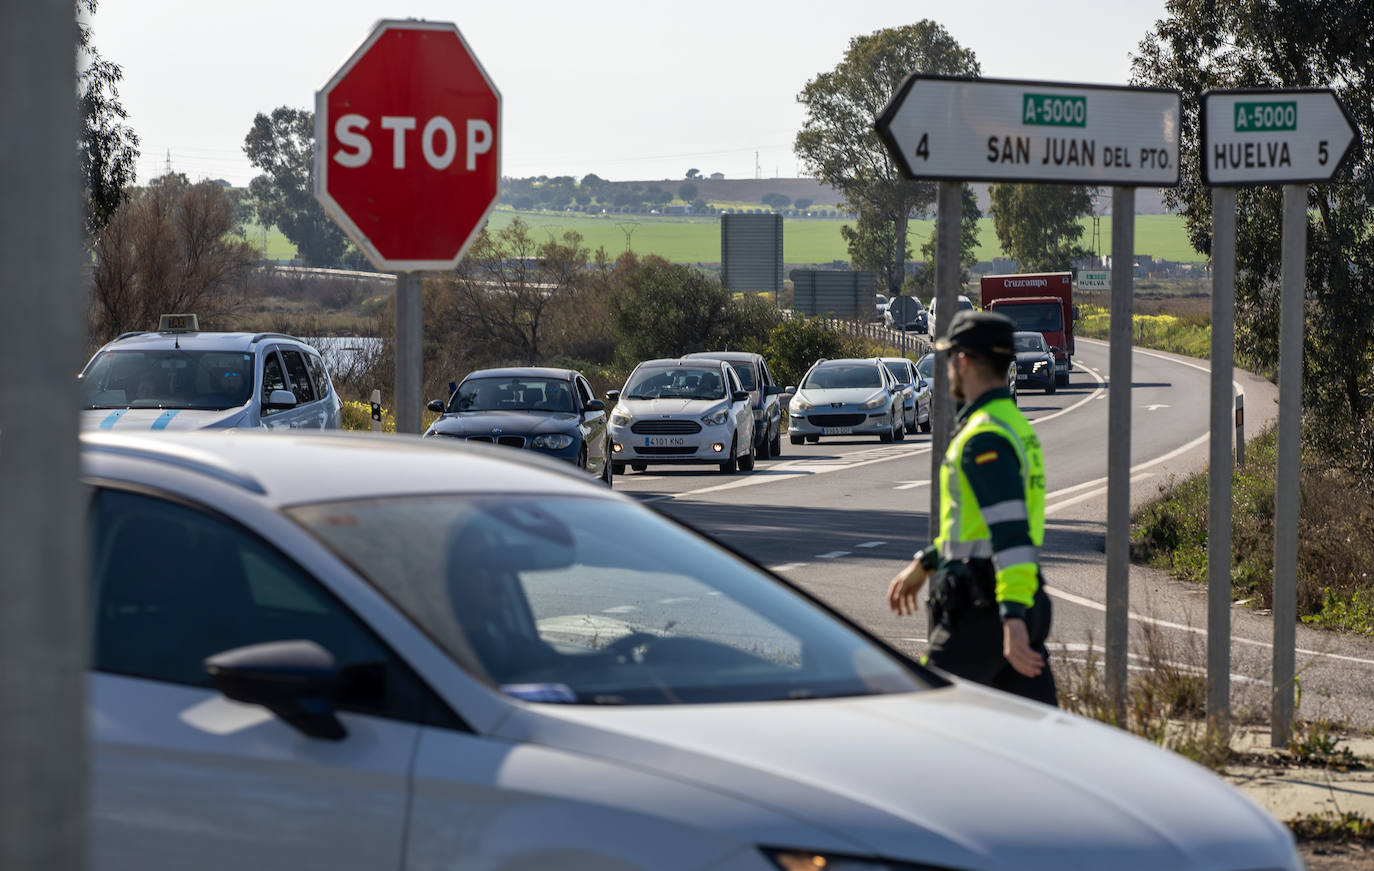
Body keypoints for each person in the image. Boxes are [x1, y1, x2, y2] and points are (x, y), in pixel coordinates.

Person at [886, 309, 1057, 705]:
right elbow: (974, 526)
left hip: (985, 610)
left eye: (948, 360)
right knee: (1039, 738)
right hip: (1016, 596)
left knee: (930, 714)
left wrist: (1010, 618)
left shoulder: (983, 437)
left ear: (962, 361)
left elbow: (1010, 531)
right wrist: (927, 563)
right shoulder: (1012, 423)